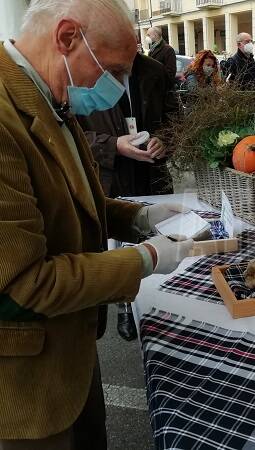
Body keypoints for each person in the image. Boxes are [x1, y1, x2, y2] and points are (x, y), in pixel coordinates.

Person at [0, 0, 193, 448]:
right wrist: (144, 260)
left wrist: (138, 216)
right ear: (67, 38)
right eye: (113, 70)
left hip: (73, 349)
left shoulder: (49, 93)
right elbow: (29, 281)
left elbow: (73, 200)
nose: (119, 85)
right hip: (28, 382)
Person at [77, 53, 177, 341]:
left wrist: (164, 140)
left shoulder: (154, 70)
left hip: (151, 175)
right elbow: (76, 135)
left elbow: (173, 117)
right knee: (116, 245)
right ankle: (125, 305)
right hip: (109, 175)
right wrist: (113, 145)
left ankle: (159, 306)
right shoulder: (84, 72)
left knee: (157, 235)